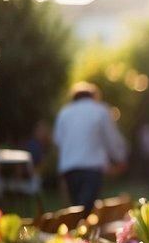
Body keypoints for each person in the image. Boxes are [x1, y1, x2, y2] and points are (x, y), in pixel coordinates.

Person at [52, 82, 128, 210]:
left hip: (70, 170)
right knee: (86, 211)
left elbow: (58, 142)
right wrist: (121, 159)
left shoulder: (64, 113)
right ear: (93, 96)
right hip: (92, 170)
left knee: (76, 208)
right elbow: (111, 139)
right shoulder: (100, 110)